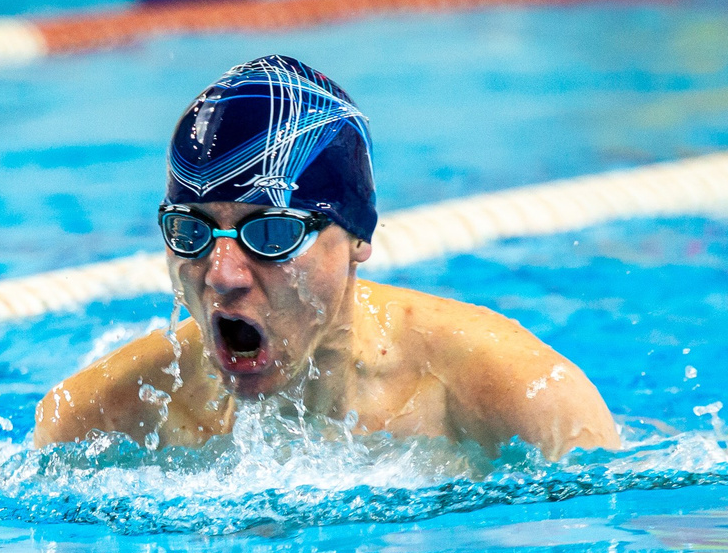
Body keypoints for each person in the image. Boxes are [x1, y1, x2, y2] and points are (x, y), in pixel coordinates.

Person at [33, 55, 621, 461]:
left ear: (358, 236)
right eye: (192, 231)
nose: (223, 275)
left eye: (271, 234)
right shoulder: (97, 421)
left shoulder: (521, 400)